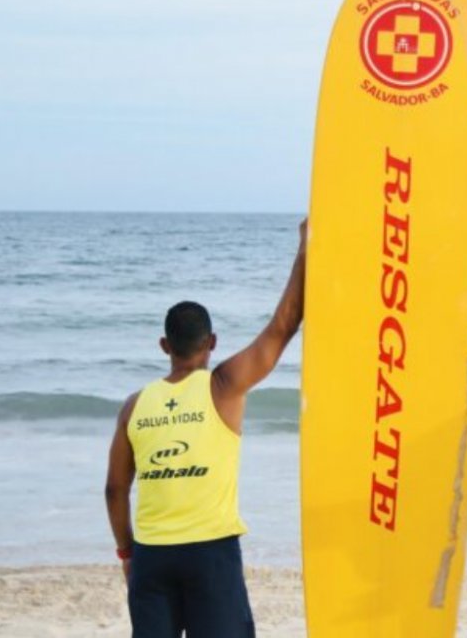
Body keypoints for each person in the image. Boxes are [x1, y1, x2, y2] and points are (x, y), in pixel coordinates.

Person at [104, 219, 307, 637]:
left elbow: (114, 490)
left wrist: (127, 553)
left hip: (153, 557)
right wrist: (306, 248)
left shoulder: (134, 405)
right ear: (212, 342)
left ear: (165, 346)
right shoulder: (223, 386)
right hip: (210, 554)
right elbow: (283, 326)